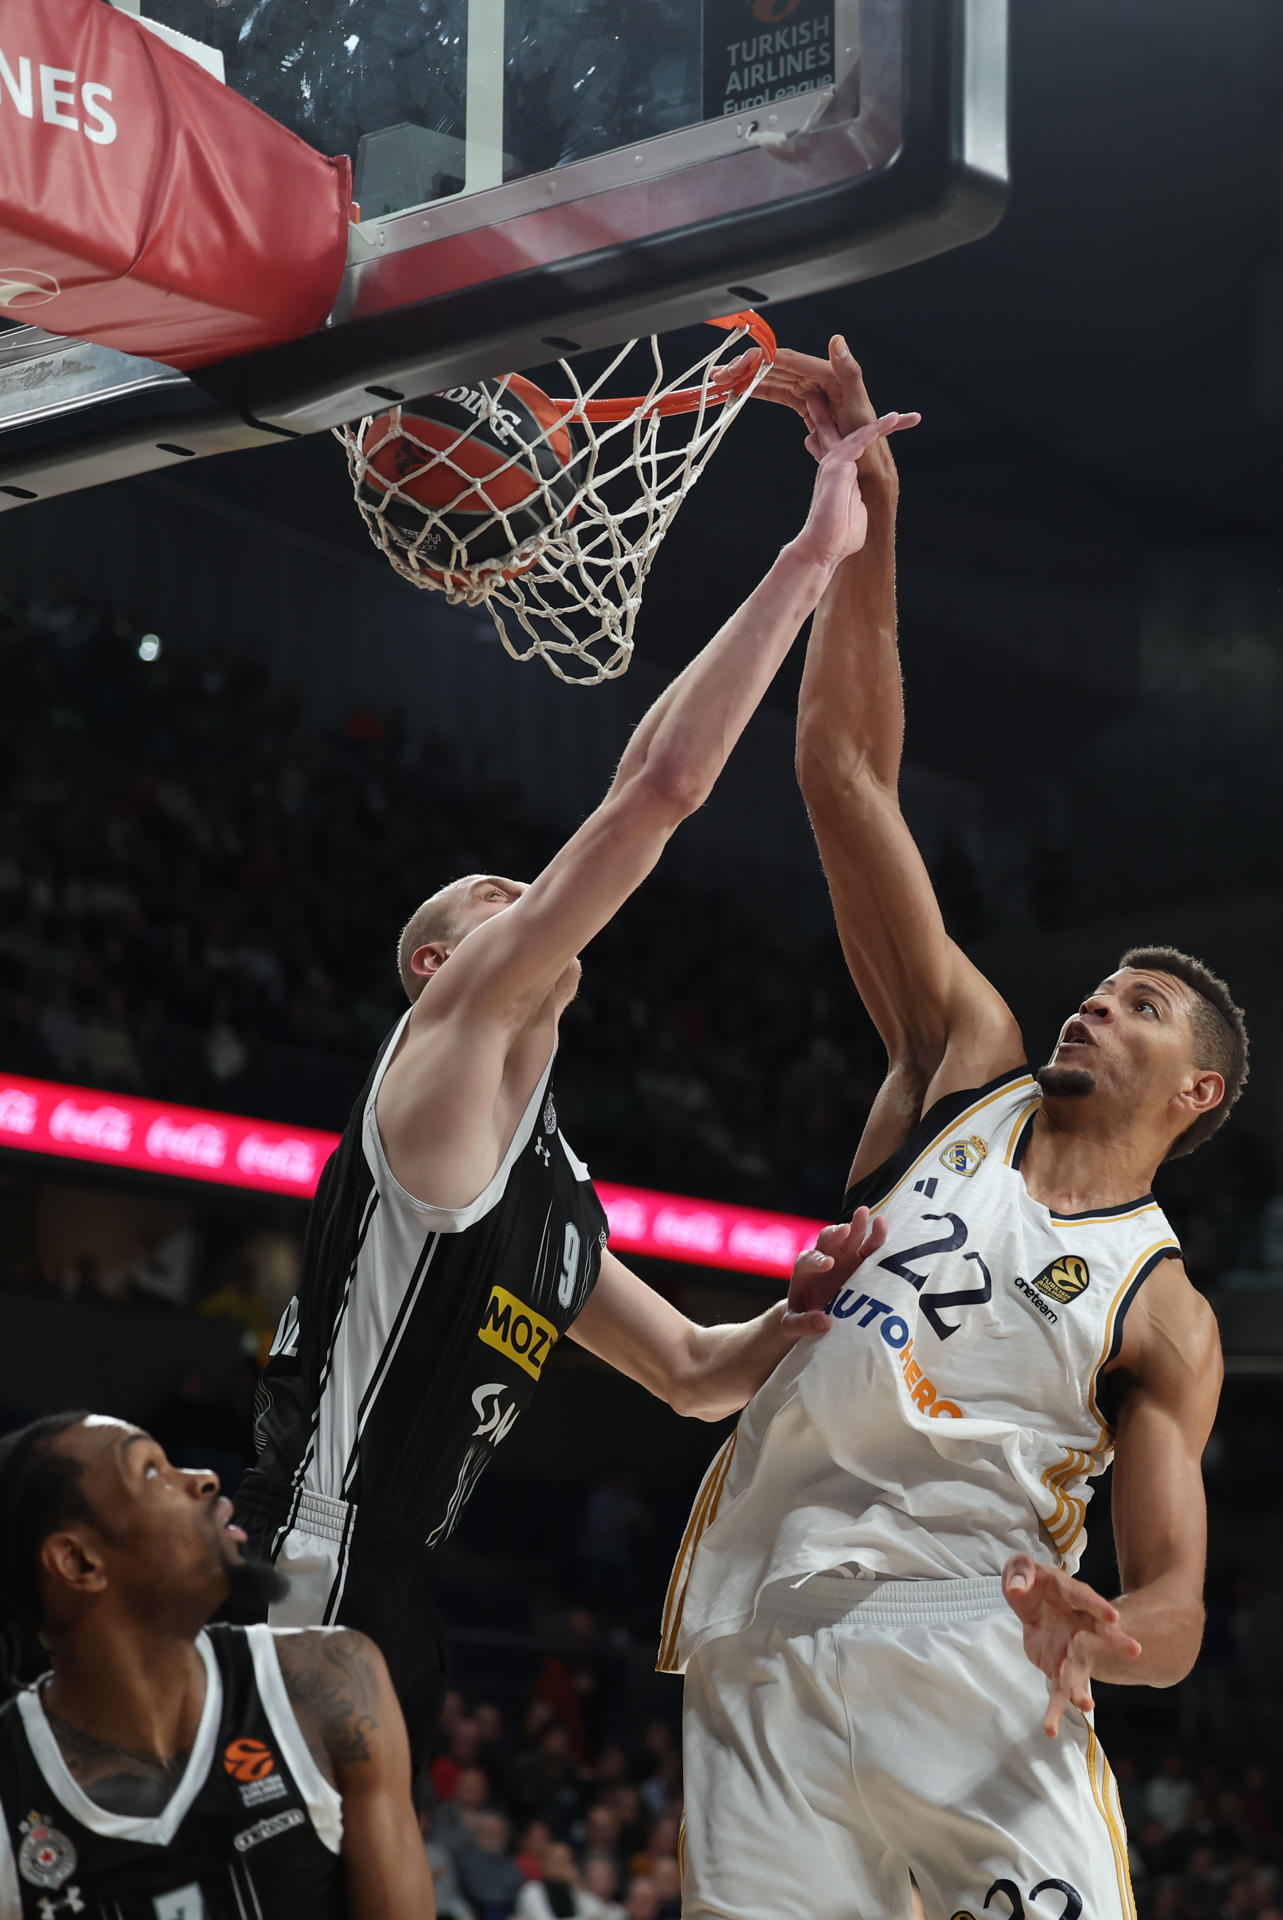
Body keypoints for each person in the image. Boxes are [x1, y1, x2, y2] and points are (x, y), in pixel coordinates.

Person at [236, 398, 918, 1770]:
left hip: (388, 1579)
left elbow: (684, 1374)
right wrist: (809, 555)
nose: (530, 896)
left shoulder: (544, 1190)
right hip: (305, 1547)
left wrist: (797, 1315)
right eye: (497, 896)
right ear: (434, 967)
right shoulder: (442, 1054)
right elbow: (653, 790)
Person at [662, 339, 1247, 1920]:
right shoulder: (962, 1070)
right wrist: (869, 519)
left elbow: (1178, 1603)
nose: (1092, 1004)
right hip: (765, 1643)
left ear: (1195, 1093)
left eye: (1138, 1007)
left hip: (977, 1644)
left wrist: (1107, 1631)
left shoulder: (1160, 1307)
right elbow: (842, 773)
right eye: (1100, 984)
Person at [0, 1411, 433, 1919]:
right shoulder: (12, 1794)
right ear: (78, 1563)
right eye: (152, 1473)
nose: (202, 1479)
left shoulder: (327, 1681)